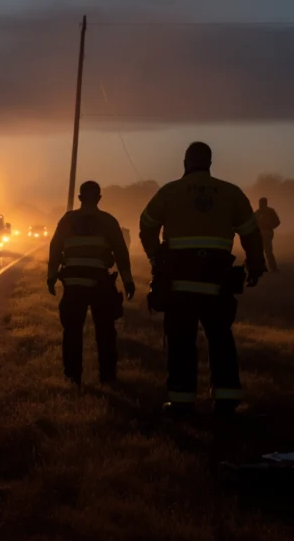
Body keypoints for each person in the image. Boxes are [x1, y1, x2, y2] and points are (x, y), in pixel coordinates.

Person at [138, 142, 266, 417]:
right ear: (209, 162)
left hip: (178, 284)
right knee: (221, 339)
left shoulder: (170, 192)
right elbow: (251, 235)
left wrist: (156, 256)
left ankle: (181, 401)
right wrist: (256, 265)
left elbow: (146, 225)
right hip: (217, 283)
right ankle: (227, 400)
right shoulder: (231, 193)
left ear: (186, 162)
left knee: (181, 342)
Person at [47, 181, 135, 387]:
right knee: (105, 331)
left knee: (72, 331)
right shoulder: (108, 221)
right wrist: (128, 281)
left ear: (79, 198)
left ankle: (72, 377)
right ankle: (107, 377)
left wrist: (51, 277)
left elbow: (54, 249)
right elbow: (121, 254)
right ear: (98, 198)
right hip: (100, 284)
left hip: (73, 284)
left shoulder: (67, 220)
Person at [255, 197, 281, 272]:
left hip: (261, 233)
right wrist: (271, 227)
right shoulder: (270, 211)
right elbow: (277, 222)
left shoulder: (257, 212)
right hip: (267, 232)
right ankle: (273, 268)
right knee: (268, 251)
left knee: (260, 251)